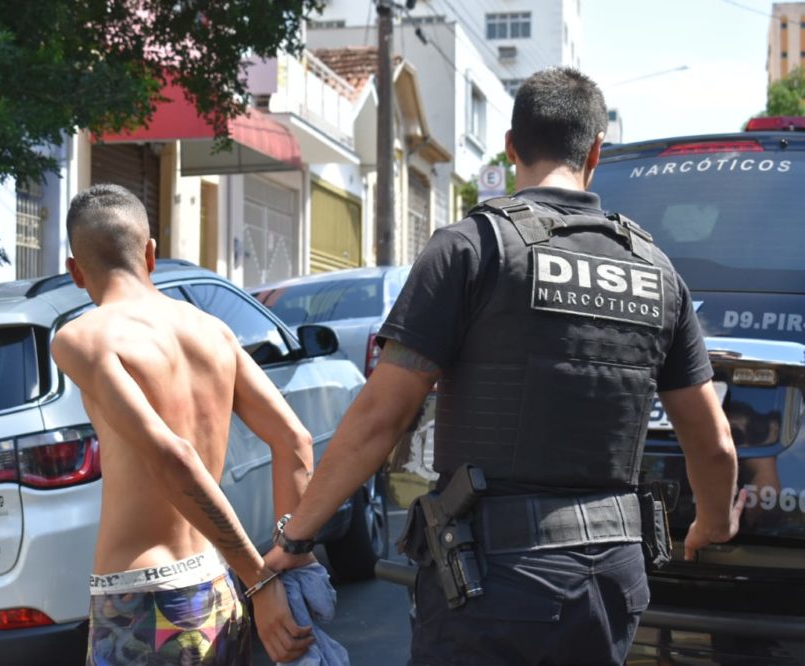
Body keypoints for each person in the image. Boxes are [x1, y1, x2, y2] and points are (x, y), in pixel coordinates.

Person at [265, 67, 745, 665]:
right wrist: (712, 522)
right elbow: (713, 442)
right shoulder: (656, 271)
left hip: (492, 581)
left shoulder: (473, 248)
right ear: (596, 152)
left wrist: (295, 537)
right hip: (611, 580)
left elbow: (380, 416)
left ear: (511, 146)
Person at [51, 183, 315, 665]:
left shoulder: (83, 338)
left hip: (141, 601)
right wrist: (287, 560)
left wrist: (262, 581)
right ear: (151, 254)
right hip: (216, 587)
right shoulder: (212, 331)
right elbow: (293, 440)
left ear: (74, 270)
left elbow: (173, 456)